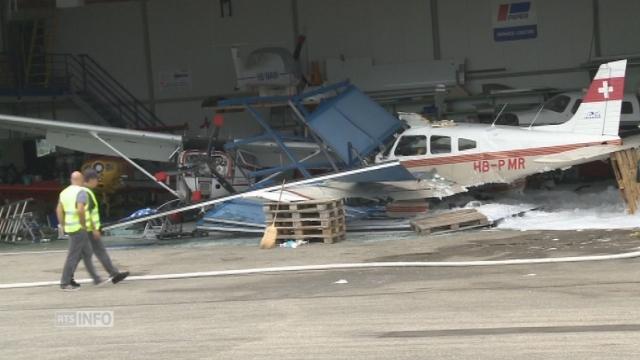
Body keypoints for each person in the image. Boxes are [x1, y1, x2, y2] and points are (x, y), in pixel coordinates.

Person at [81, 169, 129, 284]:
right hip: (89, 229)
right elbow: (87, 213)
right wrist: (94, 229)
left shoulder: (83, 192)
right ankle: (111, 274)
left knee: (85, 254)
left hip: (86, 229)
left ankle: (111, 274)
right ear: (91, 180)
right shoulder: (87, 193)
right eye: (97, 179)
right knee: (93, 253)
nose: (98, 182)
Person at [58, 171, 101, 291]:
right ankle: (65, 282)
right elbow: (81, 210)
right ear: (80, 179)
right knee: (73, 256)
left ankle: (96, 278)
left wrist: (63, 225)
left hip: (71, 228)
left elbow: (59, 210)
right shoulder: (80, 192)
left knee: (87, 252)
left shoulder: (64, 192)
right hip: (79, 229)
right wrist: (83, 225)